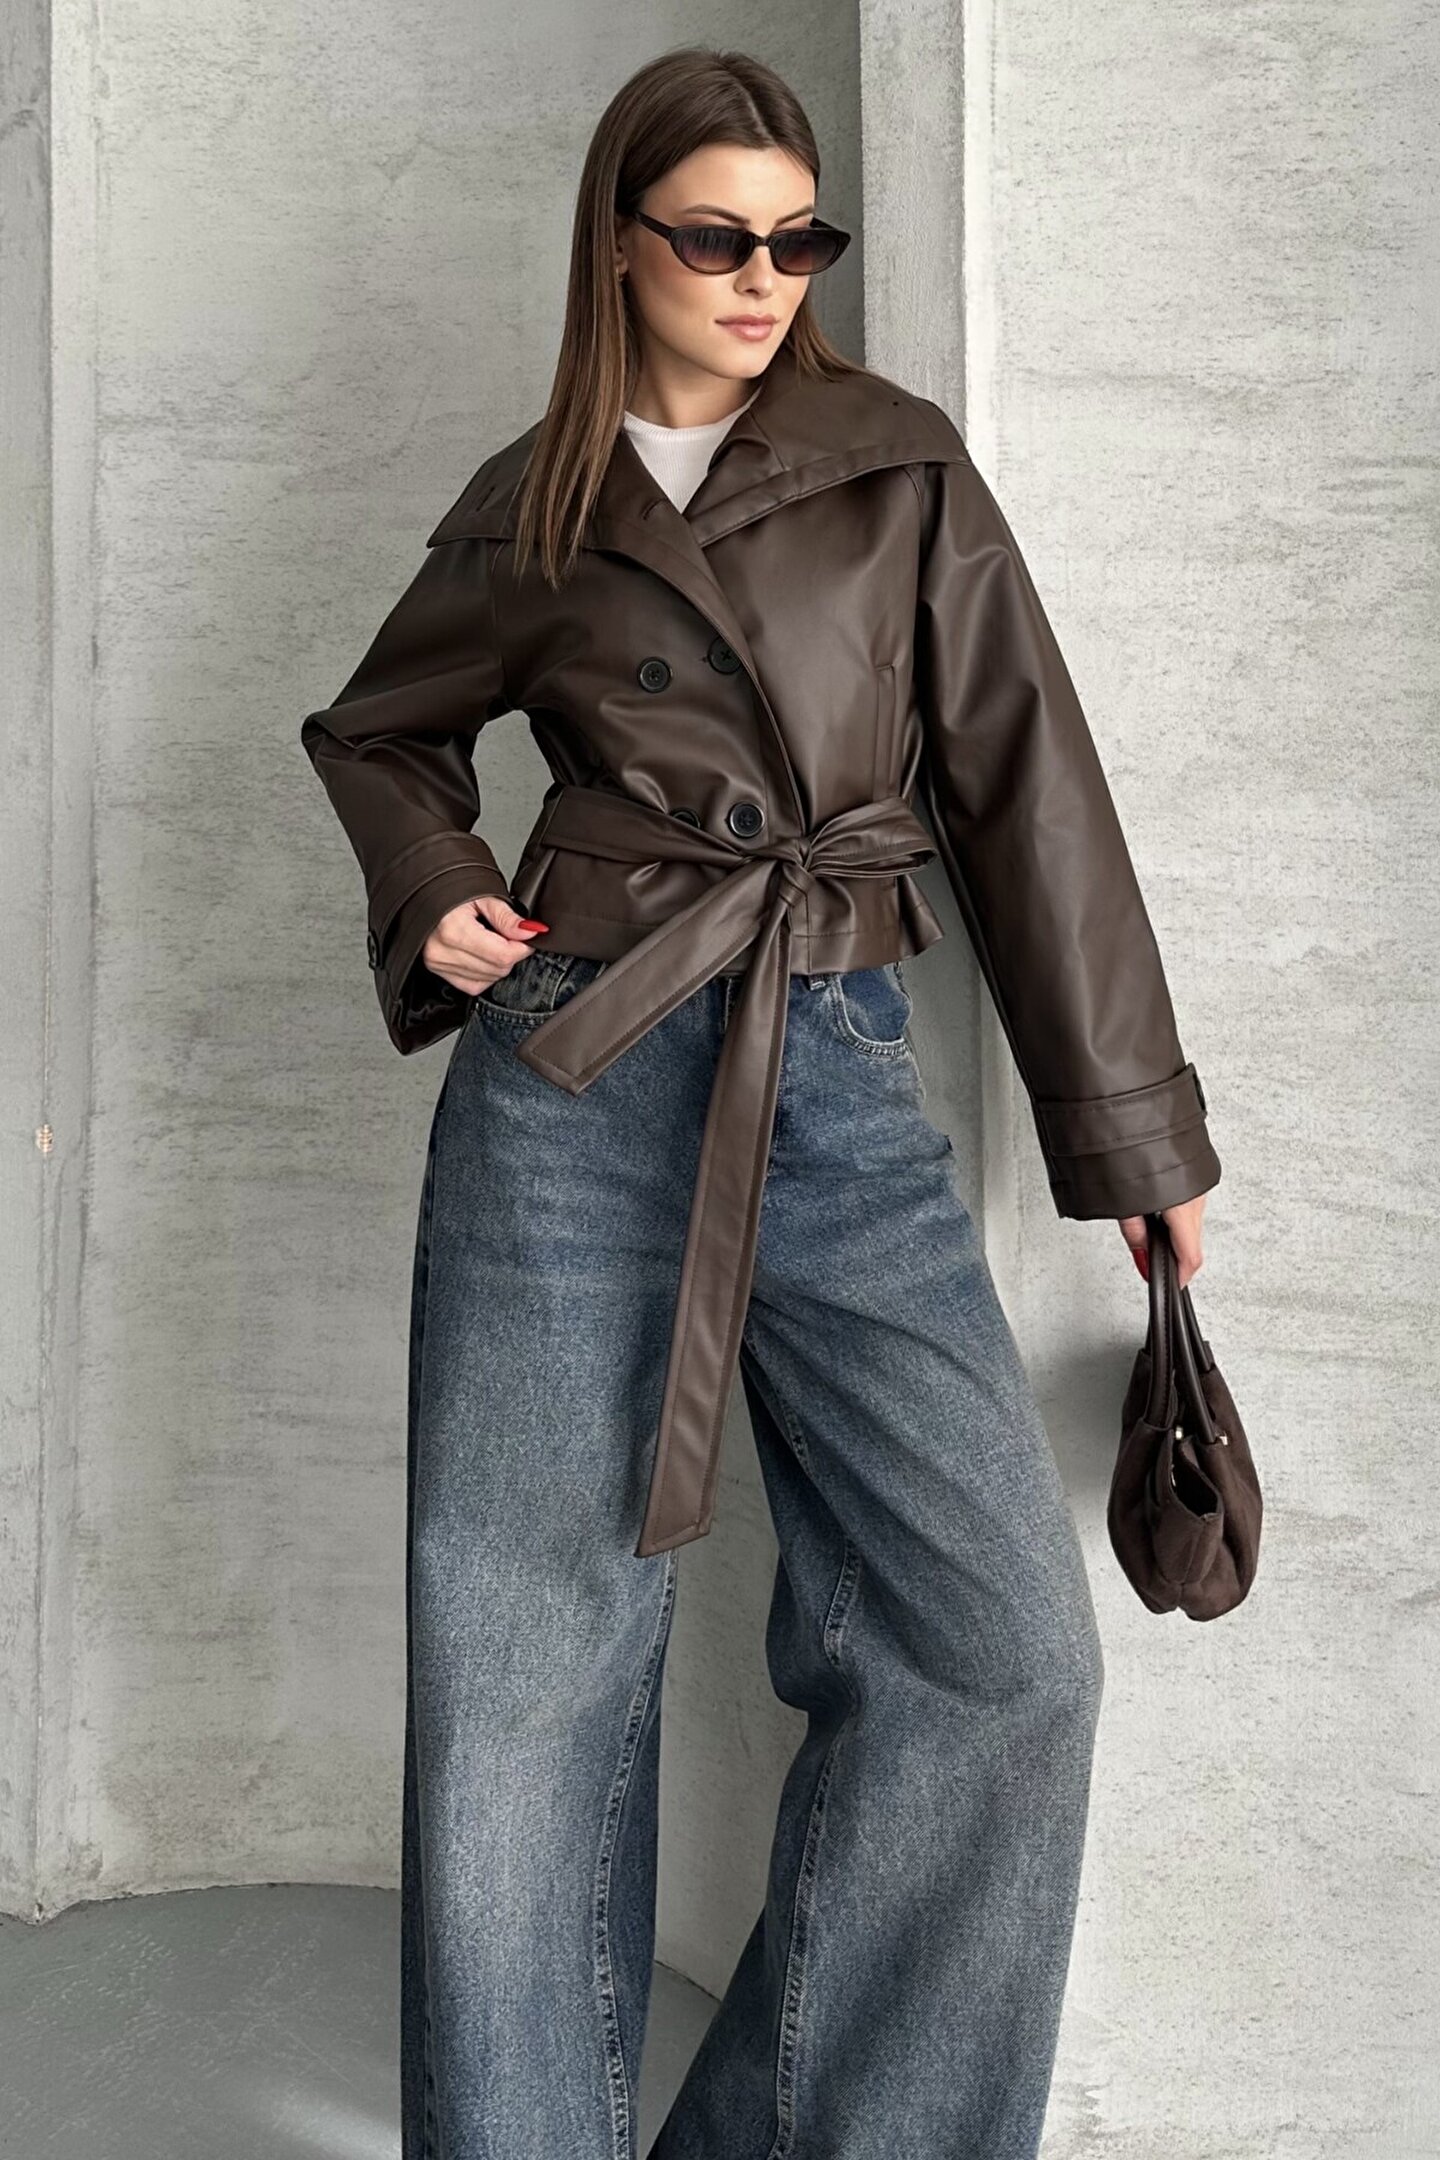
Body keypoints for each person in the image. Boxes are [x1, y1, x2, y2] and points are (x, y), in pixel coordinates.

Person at [300, 44, 1218, 2160]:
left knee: (1003, 1657)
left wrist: (1138, 1146)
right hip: (575, 1071)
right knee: (524, 1668)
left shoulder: (896, 469)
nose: (762, 278)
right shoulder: (534, 506)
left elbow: (1030, 796)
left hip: (836, 1074)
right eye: (717, 237)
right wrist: (439, 890)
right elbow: (377, 734)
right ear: (619, 245)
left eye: (800, 241)